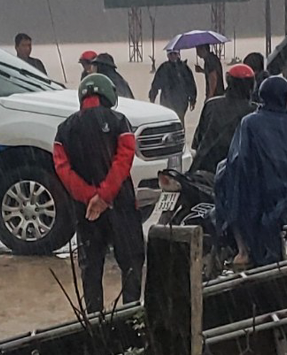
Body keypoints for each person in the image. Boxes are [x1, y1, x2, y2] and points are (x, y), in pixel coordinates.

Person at [52, 73, 144, 313]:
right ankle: (132, 319)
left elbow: (63, 169)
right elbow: (124, 160)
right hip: (121, 206)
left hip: (86, 212)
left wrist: (89, 197)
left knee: (91, 268)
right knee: (131, 263)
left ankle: (94, 324)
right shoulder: (119, 121)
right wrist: (105, 196)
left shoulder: (65, 129)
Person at [213, 75, 287, 268]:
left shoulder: (250, 122)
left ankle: (243, 250)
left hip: (269, 194)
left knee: (229, 190)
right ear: (281, 98)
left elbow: (239, 158)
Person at [189, 62, 258, 187]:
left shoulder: (211, 105)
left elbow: (198, 140)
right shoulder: (254, 111)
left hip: (202, 166)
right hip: (234, 171)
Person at [149, 47, 198, 120]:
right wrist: (152, 97)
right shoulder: (163, 68)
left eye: (174, 54)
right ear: (167, 55)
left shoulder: (184, 68)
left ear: (178, 54)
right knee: (167, 120)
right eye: (170, 54)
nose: (172, 56)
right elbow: (155, 84)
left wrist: (193, 99)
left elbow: (191, 84)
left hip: (182, 101)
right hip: (166, 100)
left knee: (179, 119)